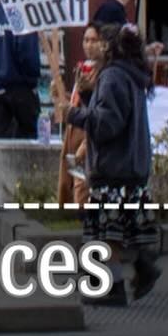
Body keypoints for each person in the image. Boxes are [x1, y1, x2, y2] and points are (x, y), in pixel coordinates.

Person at [66, 23, 161, 303]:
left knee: (110, 232)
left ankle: (113, 285)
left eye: (97, 41)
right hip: (131, 166)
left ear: (109, 47)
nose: (91, 46)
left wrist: (73, 114)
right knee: (122, 226)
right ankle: (142, 265)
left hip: (115, 167)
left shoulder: (112, 77)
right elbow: (111, 111)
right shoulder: (131, 75)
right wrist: (86, 97)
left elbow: (107, 123)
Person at [0, 2, 42, 140]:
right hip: (20, 88)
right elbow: (27, 53)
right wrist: (33, 78)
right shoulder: (23, 15)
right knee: (28, 140)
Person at [57, 22, 104, 205]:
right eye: (86, 40)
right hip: (72, 129)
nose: (89, 45)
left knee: (81, 182)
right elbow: (76, 100)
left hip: (87, 130)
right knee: (66, 180)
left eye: (94, 40)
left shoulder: (104, 71)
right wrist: (62, 93)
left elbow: (96, 104)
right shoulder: (82, 66)